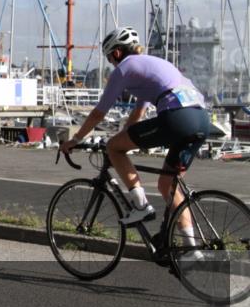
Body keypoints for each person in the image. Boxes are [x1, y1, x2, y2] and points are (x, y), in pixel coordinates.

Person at [60, 26, 210, 255]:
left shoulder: (124, 68)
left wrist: (76, 139)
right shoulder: (150, 66)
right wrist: (124, 140)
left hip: (177, 117)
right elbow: (137, 115)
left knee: (112, 147)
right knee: (168, 185)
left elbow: (99, 112)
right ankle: (193, 249)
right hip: (201, 120)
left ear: (117, 53)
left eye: (109, 57)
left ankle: (141, 206)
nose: (110, 62)